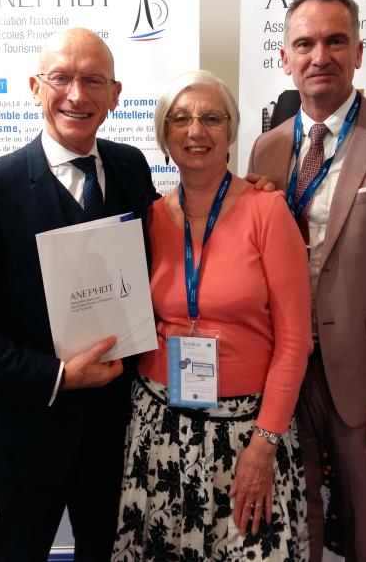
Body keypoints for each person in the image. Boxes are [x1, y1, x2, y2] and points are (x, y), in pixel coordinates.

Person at [0, 28, 159, 561]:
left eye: (93, 80)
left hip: (118, 432)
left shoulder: (130, 166)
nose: (77, 94)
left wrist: (243, 193)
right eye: (62, 78)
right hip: (27, 433)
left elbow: (175, 238)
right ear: (34, 87)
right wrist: (56, 376)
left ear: (115, 94)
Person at [248, 0, 366, 561]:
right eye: (304, 43)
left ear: (358, 52)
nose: (319, 55)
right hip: (281, 374)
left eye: (334, 41)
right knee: (296, 521)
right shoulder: (265, 150)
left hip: (365, 380)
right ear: (284, 58)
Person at [112, 70, 313, 561]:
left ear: (230, 131)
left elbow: (294, 341)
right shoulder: (149, 217)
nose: (195, 131)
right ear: (164, 136)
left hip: (248, 432)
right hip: (160, 427)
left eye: (211, 118)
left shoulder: (268, 212)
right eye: (179, 119)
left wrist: (264, 444)